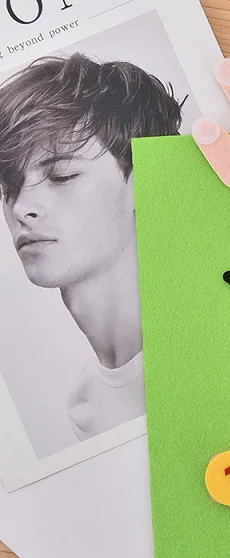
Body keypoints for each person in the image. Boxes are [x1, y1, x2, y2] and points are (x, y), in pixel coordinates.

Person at [0, 53, 183, 440]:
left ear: (147, 180)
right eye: (9, 186)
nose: (20, 207)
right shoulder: (84, 406)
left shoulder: (206, 347)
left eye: (62, 175)